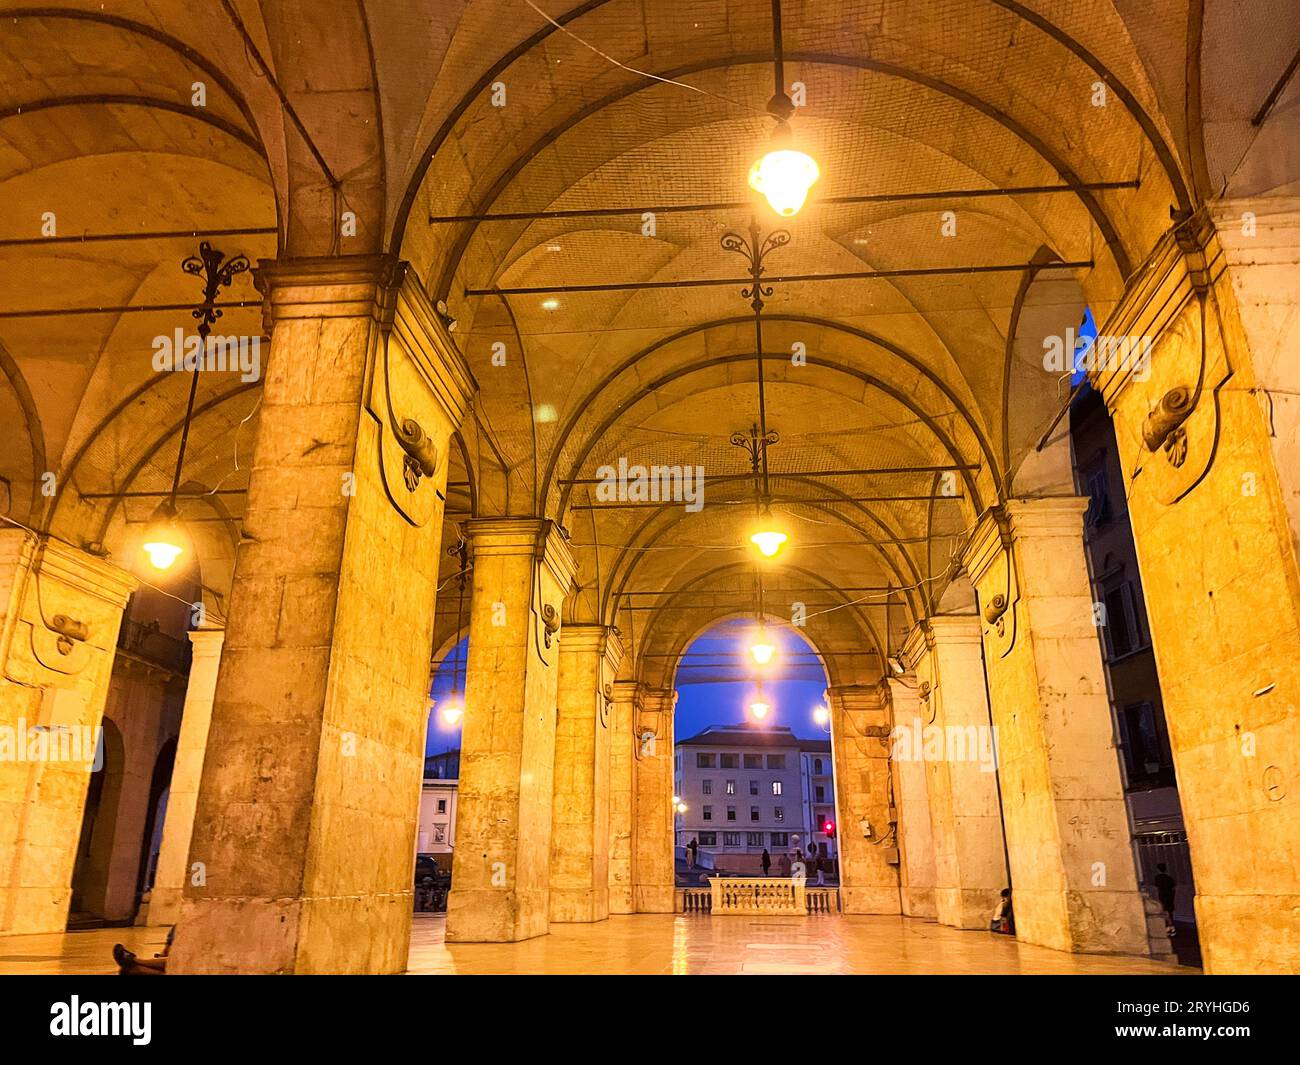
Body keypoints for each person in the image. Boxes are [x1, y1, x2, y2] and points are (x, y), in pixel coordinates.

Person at [1153, 863, 1177, 932]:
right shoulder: (1169, 877)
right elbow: (1173, 887)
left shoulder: (1157, 878)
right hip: (1169, 895)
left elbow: (1156, 887)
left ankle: (1170, 925)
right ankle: (1171, 924)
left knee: (1165, 910)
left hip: (1162, 895)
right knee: (1170, 910)